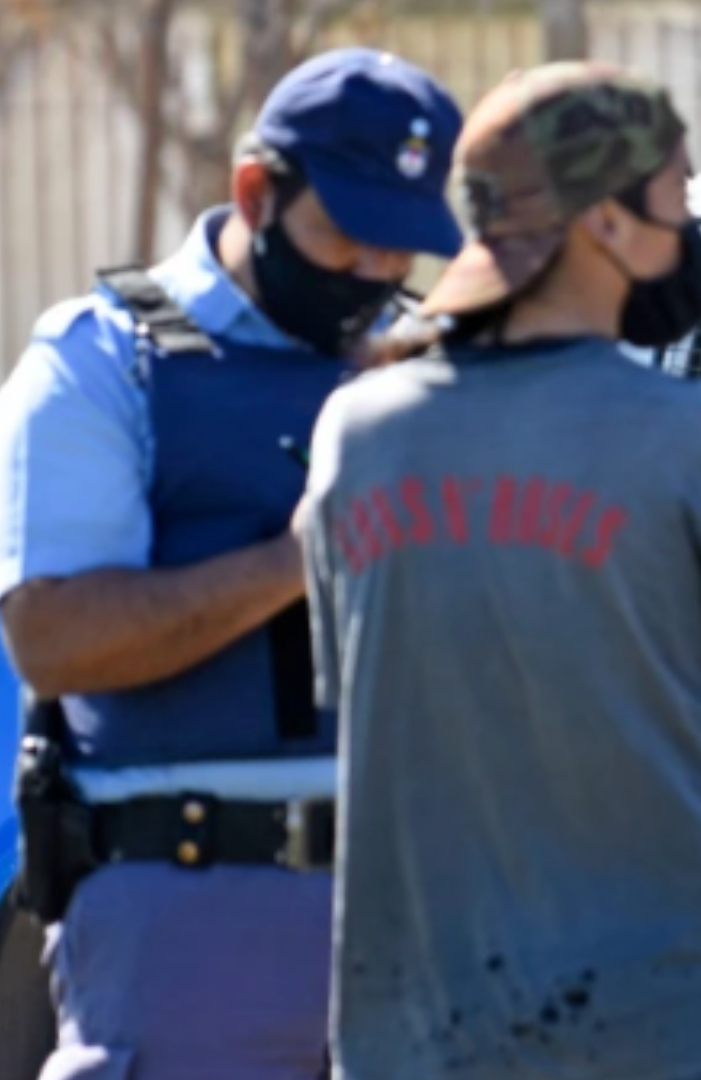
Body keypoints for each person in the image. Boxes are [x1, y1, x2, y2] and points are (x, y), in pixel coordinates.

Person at [298, 62, 701, 1080]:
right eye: (677, 196)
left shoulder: (353, 433)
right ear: (604, 220)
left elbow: (365, 720)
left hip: (422, 1036)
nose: (687, 229)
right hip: (698, 1023)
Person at [0, 48, 463, 1080]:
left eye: (403, 247)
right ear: (256, 191)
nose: (379, 273)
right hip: (195, 909)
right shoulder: (102, 358)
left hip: (428, 907)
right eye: (349, 235)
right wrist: (298, 557)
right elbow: (53, 640)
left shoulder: (425, 364)